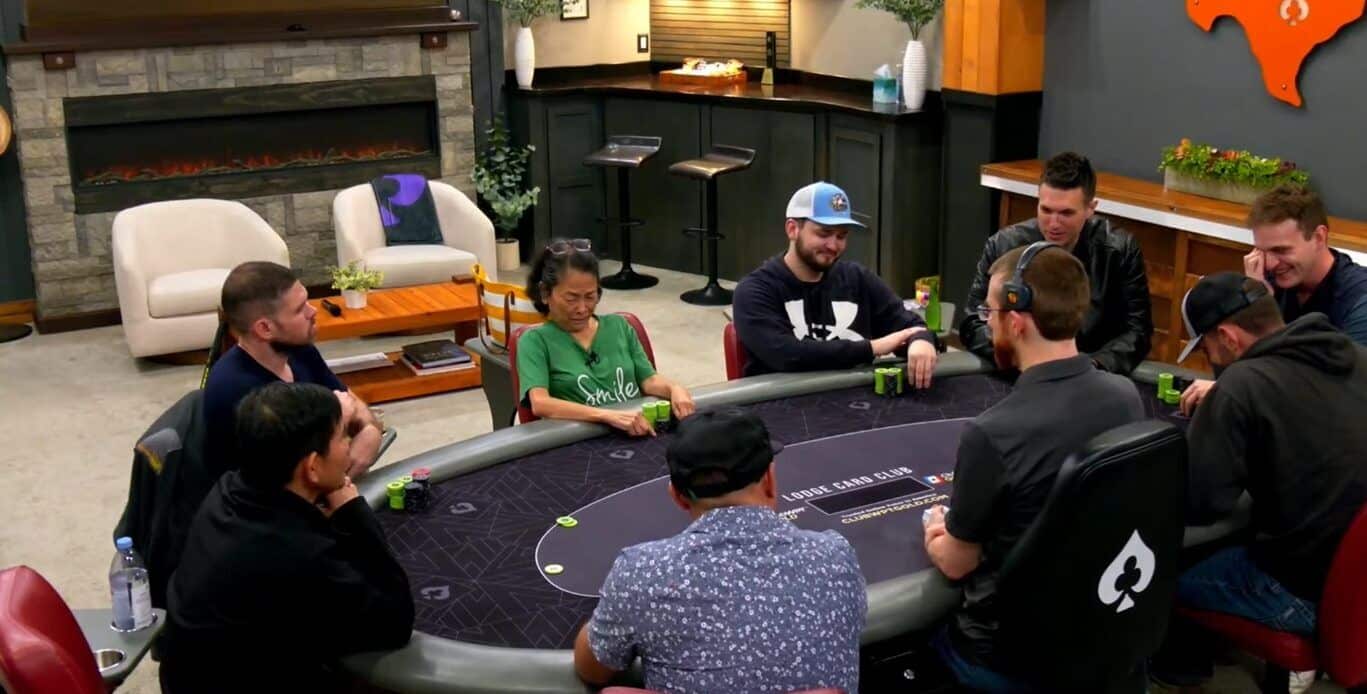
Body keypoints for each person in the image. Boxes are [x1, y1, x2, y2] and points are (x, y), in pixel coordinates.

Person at [922, 243, 1146, 691]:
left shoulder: (992, 433)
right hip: (1103, 635)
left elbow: (956, 563)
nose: (988, 323)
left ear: (1016, 320)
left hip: (1012, 658)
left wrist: (934, 530)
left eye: (989, 313)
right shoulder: (1126, 397)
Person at [572, 409, 866, 693]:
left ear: (678, 497)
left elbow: (592, 670)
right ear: (770, 480)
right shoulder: (835, 555)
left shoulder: (640, 573)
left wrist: (618, 607)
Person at [159, 382, 414, 693]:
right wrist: (353, 510)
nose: (349, 445)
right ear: (312, 467)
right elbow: (395, 620)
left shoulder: (228, 488)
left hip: (188, 674)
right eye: (342, 437)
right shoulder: (298, 553)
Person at [1176, 273, 1367, 631]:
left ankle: (1180, 662)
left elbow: (1202, 502)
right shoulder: (1352, 355)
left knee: (1159, 576)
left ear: (1228, 337)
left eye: (1205, 348)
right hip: (1355, 582)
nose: (1209, 359)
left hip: (1302, 592)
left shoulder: (1240, 386)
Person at [959, 152, 1153, 375]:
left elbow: (1138, 332)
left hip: (1089, 375)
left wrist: (1093, 366)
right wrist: (1026, 355)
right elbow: (973, 322)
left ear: (1091, 208)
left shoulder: (1119, 250)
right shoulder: (1004, 245)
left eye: (1066, 213)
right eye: (1046, 210)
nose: (1053, 224)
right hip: (1018, 373)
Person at [1180, 185, 1367, 413]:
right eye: (1262, 251)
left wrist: (1236, 391)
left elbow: (1339, 391)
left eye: (1281, 250)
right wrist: (1252, 305)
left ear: (1319, 237)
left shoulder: (1359, 300)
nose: (1270, 263)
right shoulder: (1268, 282)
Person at [732, 181, 940, 386]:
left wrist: (921, 340)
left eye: (841, 236)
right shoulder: (754, 290)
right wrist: (872, 348)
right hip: (784, 401)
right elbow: (786, 354)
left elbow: (910, 325)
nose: (833, 245)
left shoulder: (858, 278)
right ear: (793, 229)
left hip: (856, 400)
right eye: (823, 233)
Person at [204, 261, 382, 480]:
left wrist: (370, 430)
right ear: (265, 328)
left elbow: (349, 399)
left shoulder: (299, 351)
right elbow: (297, 479)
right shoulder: (238, 391)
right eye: (299, 309)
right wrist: (341, 421)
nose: (313, 311)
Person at [518, 239, 695, 436]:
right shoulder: (534, 341)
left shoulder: (619, 326)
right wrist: (605, 415)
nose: (582, 308)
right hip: (580, 441)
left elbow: (649, 380)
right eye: (571, 298)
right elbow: (541, 403)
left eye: (590, 297)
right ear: (545, 293)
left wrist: (674, 388)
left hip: (637, 433)